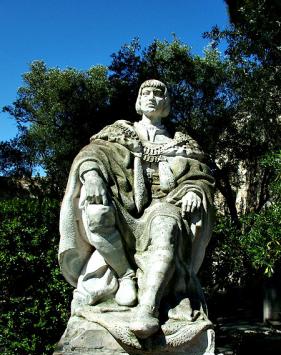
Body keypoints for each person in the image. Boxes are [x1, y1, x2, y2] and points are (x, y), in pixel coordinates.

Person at [59, 79, 215, 339]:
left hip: (165, 206)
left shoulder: (182, 143)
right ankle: (125, 275)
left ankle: (148, 308)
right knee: (96, 211)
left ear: (166, 103)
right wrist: (92, 174)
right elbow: (92, 153)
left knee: (166, 231)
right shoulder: (118, 133)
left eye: (158, 93)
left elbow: (200, 176)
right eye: (146, 92)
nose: (151, 97)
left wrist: (194, 191)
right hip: (125, 204)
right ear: (138, 101)